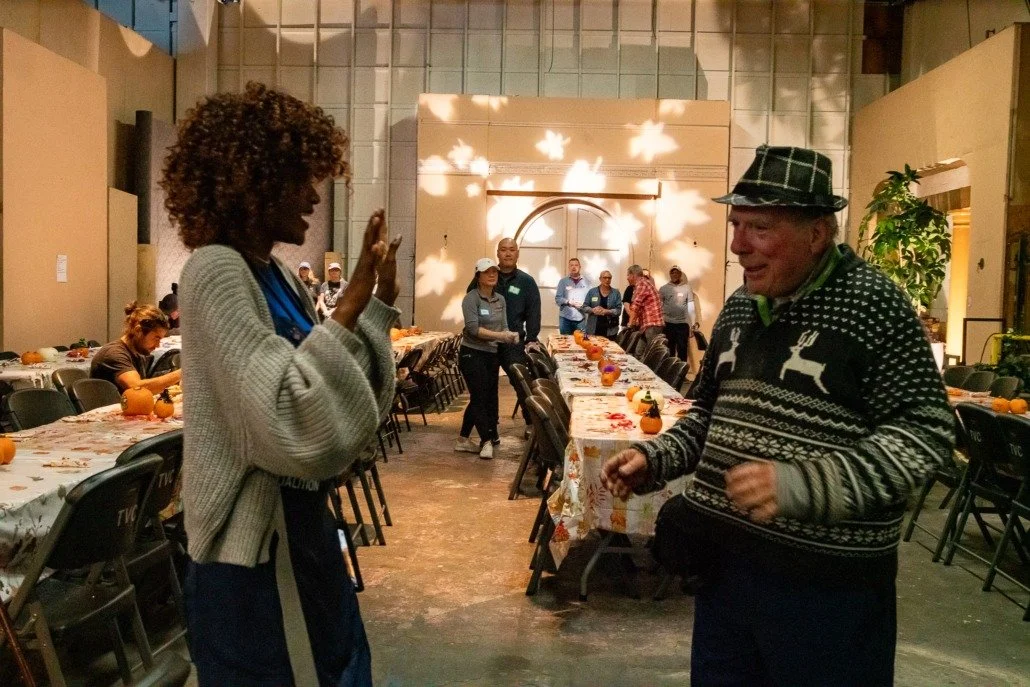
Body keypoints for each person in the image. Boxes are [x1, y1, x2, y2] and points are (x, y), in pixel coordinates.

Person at [601, 145, 954, 686]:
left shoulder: (873, 305)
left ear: (818, 233)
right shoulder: (742, 307)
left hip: (827, 591)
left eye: (760, 227)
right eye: (736, 224)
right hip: (726, 571)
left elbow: (926, 434)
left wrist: (806, 485)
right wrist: (656, 456)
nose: (739, 246)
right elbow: (710, 414)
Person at [161, 82, 402, 686]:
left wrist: (376, 307)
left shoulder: (274, 277)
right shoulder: (215, 271)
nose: (313, 197)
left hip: (304, 541)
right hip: (253, 566)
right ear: (256, 181)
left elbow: (353, 411)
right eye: (300, 177)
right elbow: (290, 423)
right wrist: (351, 304)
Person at [466, 237, 542, 422]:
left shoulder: (526, 281)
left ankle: (532, 424)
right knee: (487, 387)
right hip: (486, 343)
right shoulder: (485, 278)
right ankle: (491, 426)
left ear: (517, 253)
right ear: (497, 253)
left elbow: (534, 312)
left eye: (512, 249)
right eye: (503, 249)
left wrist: (531, 338)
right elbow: (470, 302)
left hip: (512, 343)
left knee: (521, 383)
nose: (507, 253)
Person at [456, 257, 519, 459]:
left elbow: (504, 326)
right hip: (471, 353)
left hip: (491, 355)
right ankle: (486, 440)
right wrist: (501, 336)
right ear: (478, 276)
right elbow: (474, 329)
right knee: (480, 397)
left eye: (494, 271)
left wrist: (511, 335)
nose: (492, 275)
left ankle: (463, 439)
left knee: (486, 397)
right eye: (487, 272)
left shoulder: (500, 300)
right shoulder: (471, 299)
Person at [91, 301, 182, 393]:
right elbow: (137, 387)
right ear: (138, 331)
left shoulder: (137, 353)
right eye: (156, 338)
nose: (158, 345)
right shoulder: (114, 354)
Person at [659, 266, 696, 362]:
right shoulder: (663, 288)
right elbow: (658, 306)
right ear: (670, 274)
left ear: (680, 274)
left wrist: (692, 324)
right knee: (668, 350)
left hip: (682, 324)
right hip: (668, 324)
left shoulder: (687, 288)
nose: (674, 274)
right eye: (672, 273)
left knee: (682, 350)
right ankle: (668, 373)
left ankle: (681, 374)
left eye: (677, 272)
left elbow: (691, 306)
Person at [554, 258, 593, 334]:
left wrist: (583, 305)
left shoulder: (587, 282)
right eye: (571, 265)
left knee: (581, 342)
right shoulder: (563, 281)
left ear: (580, 267)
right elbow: (558, 298)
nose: (574, 267)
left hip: (580, 318)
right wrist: (569, 302)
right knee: (565, 343)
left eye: (576, 265)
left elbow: (590, 300)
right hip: (565, 318)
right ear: (569, 267)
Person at [625, 264, 663, 343]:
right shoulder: (643, 284)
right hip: (647, 325)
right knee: (639, 353)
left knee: (650, 354)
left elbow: (635, 306)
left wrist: (630, 324)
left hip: (652, 324)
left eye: (628, 275)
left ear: (633, 275)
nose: (627, 278)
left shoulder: (642, 284)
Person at [579, 270, 622, 337]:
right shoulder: (592, 292)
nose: (607, 280)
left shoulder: (616, 293)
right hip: (593, 329)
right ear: (600, 279)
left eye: (609, 278)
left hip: (610, 330)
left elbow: (619, 311)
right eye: (605, 278)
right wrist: (593, 310)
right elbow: (584, 307)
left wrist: (606, 311)